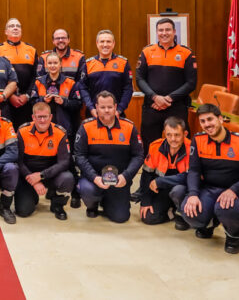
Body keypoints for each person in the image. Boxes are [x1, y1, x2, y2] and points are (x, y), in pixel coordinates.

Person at [180, 104, 239, 254]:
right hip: (209, 190)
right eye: (203, 121)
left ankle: (234, 235)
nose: (207, 124)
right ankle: (209, 223)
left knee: (225, 208)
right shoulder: (198, 140)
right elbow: (194, 170)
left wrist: (234, 190)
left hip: (237, 194)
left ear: (221, 119)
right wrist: (193, 194)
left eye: (210, 119)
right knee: (188, 211)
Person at [74, 91, 144, 223]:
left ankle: (107, 202)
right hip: (94, 179)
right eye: (102, 107)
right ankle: (93, 205)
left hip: (119, 180)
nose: (106, 110)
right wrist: (95, 178)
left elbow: (138, 156)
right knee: (87, 189)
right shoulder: (86, 127)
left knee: (121, 217)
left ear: (115, 107)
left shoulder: (129, 127)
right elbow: (80, 156)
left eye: (110, 107)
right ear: (96, 108)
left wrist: (126, 176)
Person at [30, 51, 83, 208]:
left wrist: (64, 102)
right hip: (43, 131)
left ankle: (75, 194)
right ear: (45, 66)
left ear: (61, 65)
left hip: (65, 129)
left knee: (69, 162)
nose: (52, 66)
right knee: (49, 161)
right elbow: (32, 103)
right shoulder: (39, 82)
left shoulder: (70, 82)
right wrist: (42, 100)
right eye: (50, 63)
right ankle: (52, 189)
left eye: (55, 63)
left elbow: (78, 104)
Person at [136, 18, 197, 153]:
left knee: (180, 144)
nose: (164, 33)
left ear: (174, 32)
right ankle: (151, 173)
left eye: (168, 29)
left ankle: (180, 173)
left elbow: (191, 83)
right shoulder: (147, 51)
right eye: (161, 30)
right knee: (150, 147)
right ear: (157, 32)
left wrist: (169, 98)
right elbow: (139, 79)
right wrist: (155, 97)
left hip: (176, 107)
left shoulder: (186, 53)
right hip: (152, 107)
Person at [15, 103, 74, 220]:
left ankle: (57, 204)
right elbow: (18, 161)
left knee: (68, 178)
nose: (42, 120)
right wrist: (35, 182)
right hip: (28, 176)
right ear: (33, 117)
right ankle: (32, 195)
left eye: (45, 117)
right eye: (39, 117)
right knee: (23, 211)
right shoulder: (22, 131)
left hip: (50, 175)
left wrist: (41, 176)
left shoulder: (60, 132)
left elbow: (64, 162)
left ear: (51, 117)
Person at [139, 117, 190, 228]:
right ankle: (173, 212)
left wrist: (161, 181)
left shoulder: (192, 149)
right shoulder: (155, 146)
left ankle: (183, 214)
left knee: (178, 190)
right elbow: (146, 175)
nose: (173, 139)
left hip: (183, 191)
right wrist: (146, 201)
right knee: (148, 217)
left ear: (185, 134)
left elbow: (190, 177)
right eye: (169, 135)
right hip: (162, 190)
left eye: (177, 135)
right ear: (164, 134)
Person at [79, 30, 133, 119]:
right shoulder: (88, 63)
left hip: (116, 114)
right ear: (97, 43)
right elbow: (82, 87)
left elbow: (128, 88)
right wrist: (91, 108)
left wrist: (119, 109)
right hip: (93, 114)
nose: (105, 45)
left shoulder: (123, 63)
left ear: (113, 43)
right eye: (102, 41)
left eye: (108, 41)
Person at [0, 18, 37, 128]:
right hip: (6, 101)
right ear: (6, 31)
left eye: (18, 26)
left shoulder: (31, 50)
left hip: (26, 101)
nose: (15, 28)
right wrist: (10, 96)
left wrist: (27, 95)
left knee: (25, 132)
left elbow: (36, 76)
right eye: (11, 26)